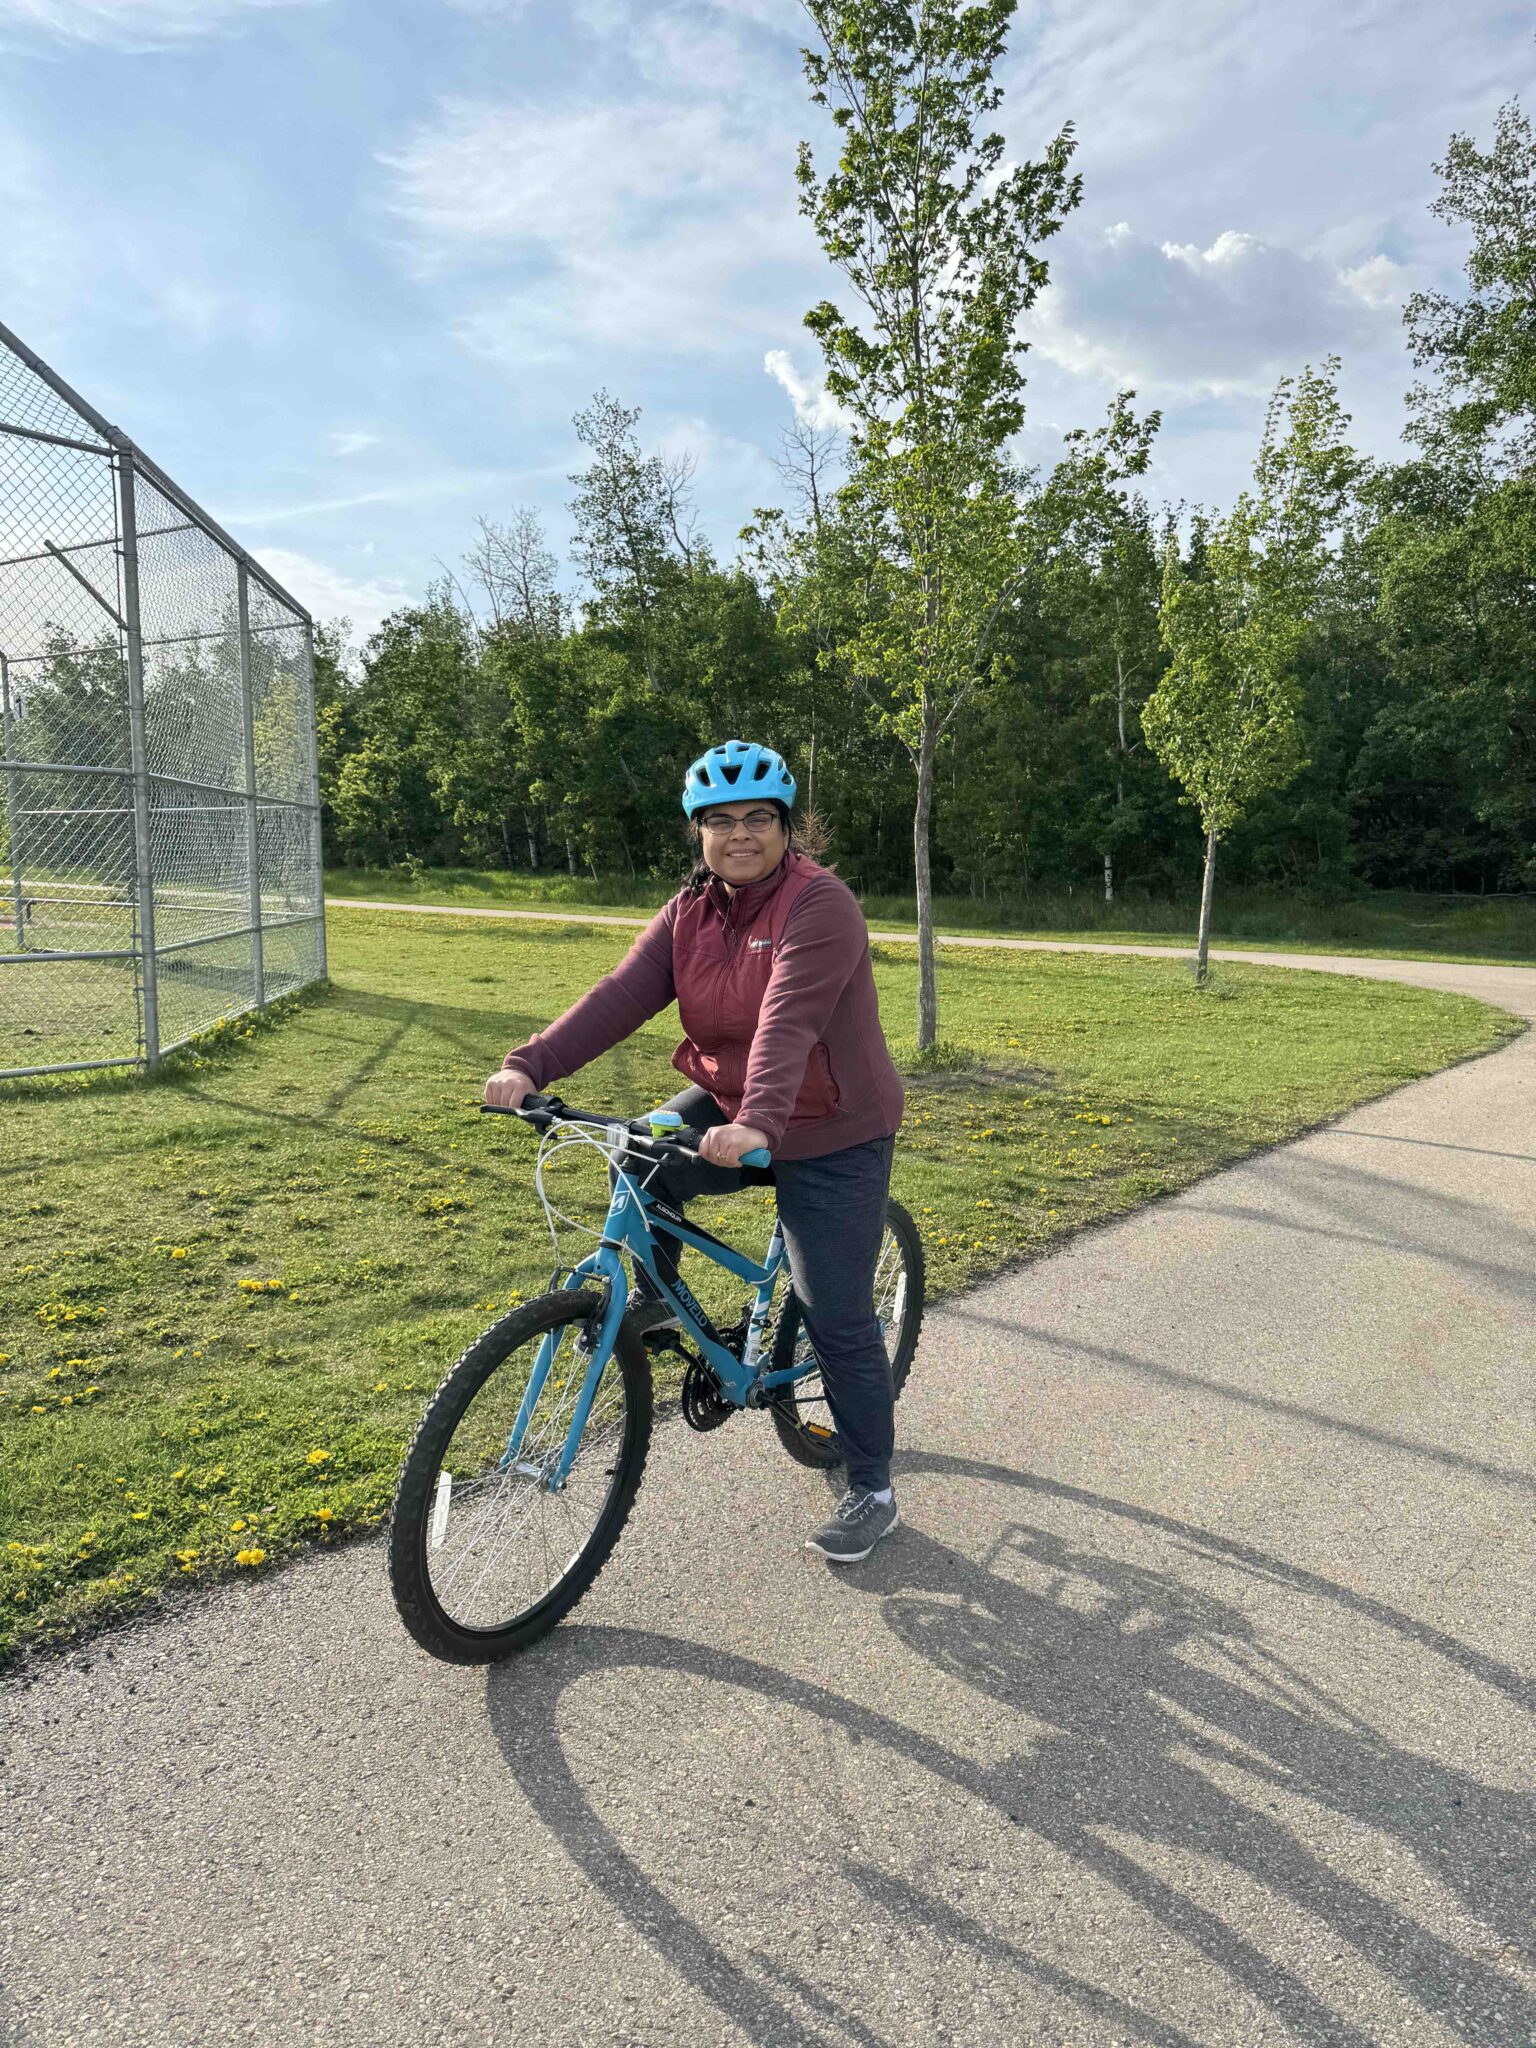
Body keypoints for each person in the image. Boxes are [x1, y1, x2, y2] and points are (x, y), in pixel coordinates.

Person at [484, 739, 906, 1562]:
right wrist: (528, 1064)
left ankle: (871, 1485)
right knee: (636, 1163)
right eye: (720, 820)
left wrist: (758, 1125)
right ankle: (653, 1308)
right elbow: (618, 997)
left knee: (838, 1314)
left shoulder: (820, 905)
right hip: (727, 1103)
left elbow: (790, 1019)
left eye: (758, 818)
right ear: (697, 831)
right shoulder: (690, 914)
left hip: (830, 1125)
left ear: (786, 827)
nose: (739, 834)